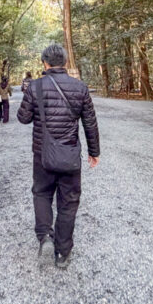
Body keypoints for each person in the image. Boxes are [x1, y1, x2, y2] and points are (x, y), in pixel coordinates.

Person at [17, 43, 100, 269]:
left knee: (42, 193)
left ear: (45, 63)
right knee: (69, 201)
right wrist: (94, 152)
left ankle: (44, 236)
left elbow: (23, 118)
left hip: (42, 154)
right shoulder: (80, 88)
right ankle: (62, 252)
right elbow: (90, 123)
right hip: (70, 154)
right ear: (65, 62)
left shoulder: (35, 87)